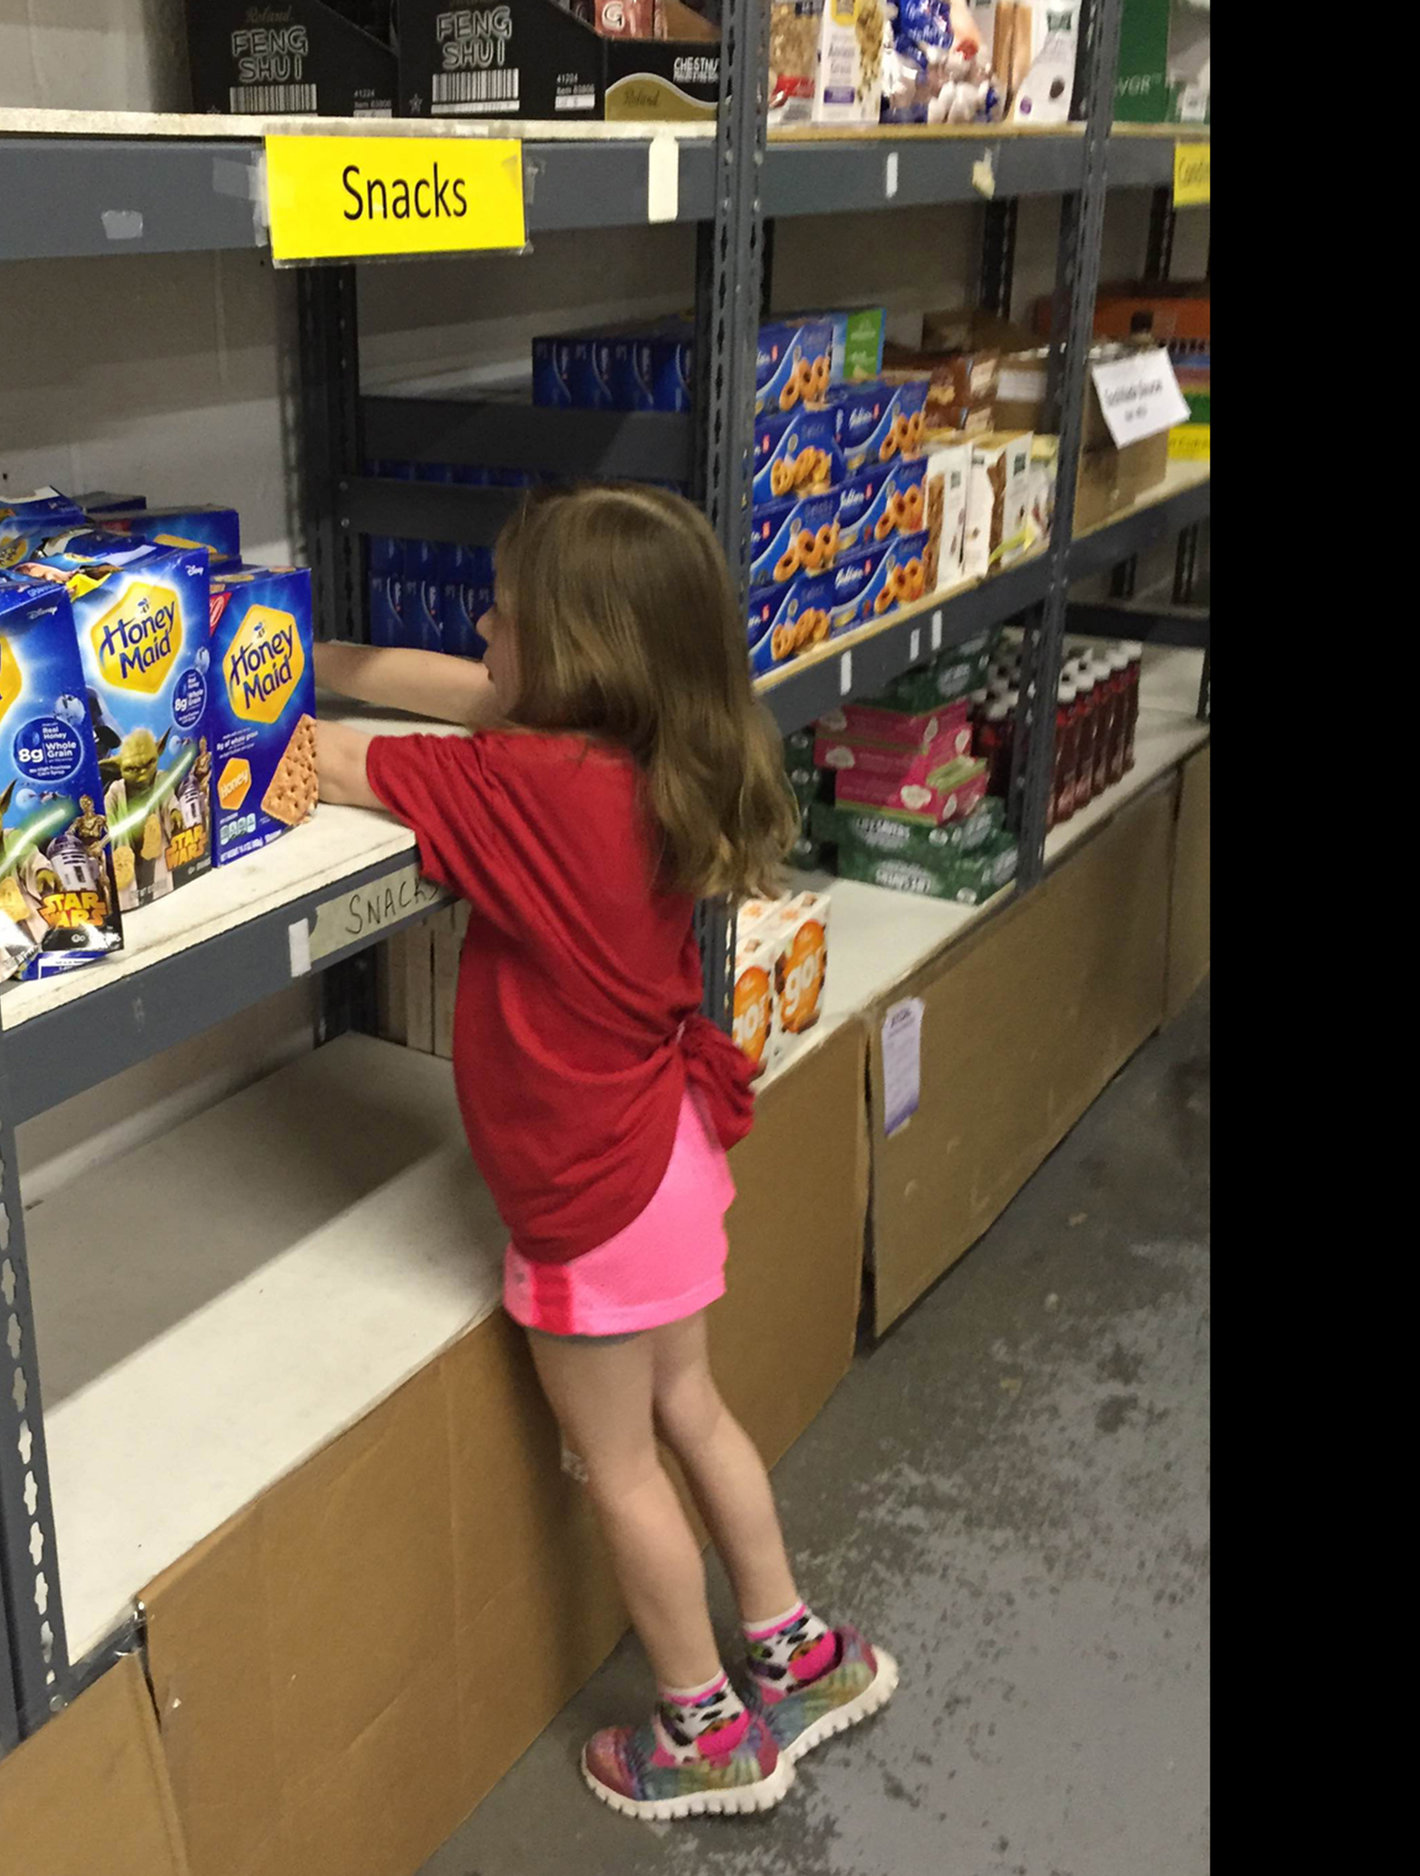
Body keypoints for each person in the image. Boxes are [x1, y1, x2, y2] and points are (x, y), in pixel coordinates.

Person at [311, 483, 897, 1821]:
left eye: (503, 618)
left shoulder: (523, 789)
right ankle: (797, 1652)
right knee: (694, 1408)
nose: (478, 630)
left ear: (569, 660)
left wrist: (269, 700)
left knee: (620, 1466)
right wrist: (318, 652)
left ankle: (699, 1729)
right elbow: (457, 688)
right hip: (672, 1158)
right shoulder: (659, 748)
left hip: (590, 1200)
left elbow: (338, 762)